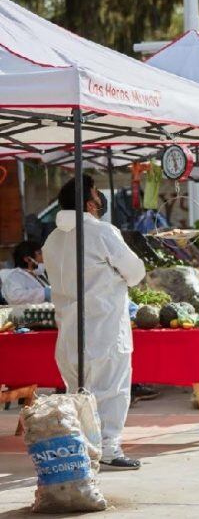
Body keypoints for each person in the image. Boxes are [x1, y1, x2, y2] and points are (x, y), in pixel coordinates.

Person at [43, 175, 146, 470]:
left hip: (69, 332)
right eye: (96, 193)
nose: (101, 197)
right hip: (103, 329)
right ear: (90, 203)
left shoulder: (52, 239)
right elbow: (135, 271)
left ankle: (85, 449)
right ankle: (109, 448)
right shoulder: (101, 231)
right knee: (111, 391)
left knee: (79, 395)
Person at [0, 241, 50, 305]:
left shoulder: (39, 276)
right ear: (27, 259)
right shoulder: (14, 277)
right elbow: (15, 297)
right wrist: (44, 293)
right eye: (39, 253)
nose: (43, 257)